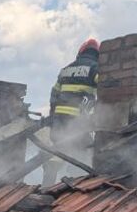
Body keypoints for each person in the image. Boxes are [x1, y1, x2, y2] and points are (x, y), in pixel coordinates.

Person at [43, 38, 100, 186]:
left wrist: (52, 116)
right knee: (84, 152)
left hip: (59, 118)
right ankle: (76, 187)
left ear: (81, 52)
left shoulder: (65, 69)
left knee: (56, 151)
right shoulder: (95, 68)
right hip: (78, 120)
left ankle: (47, 185)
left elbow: (53, 94)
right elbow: (104, 88)